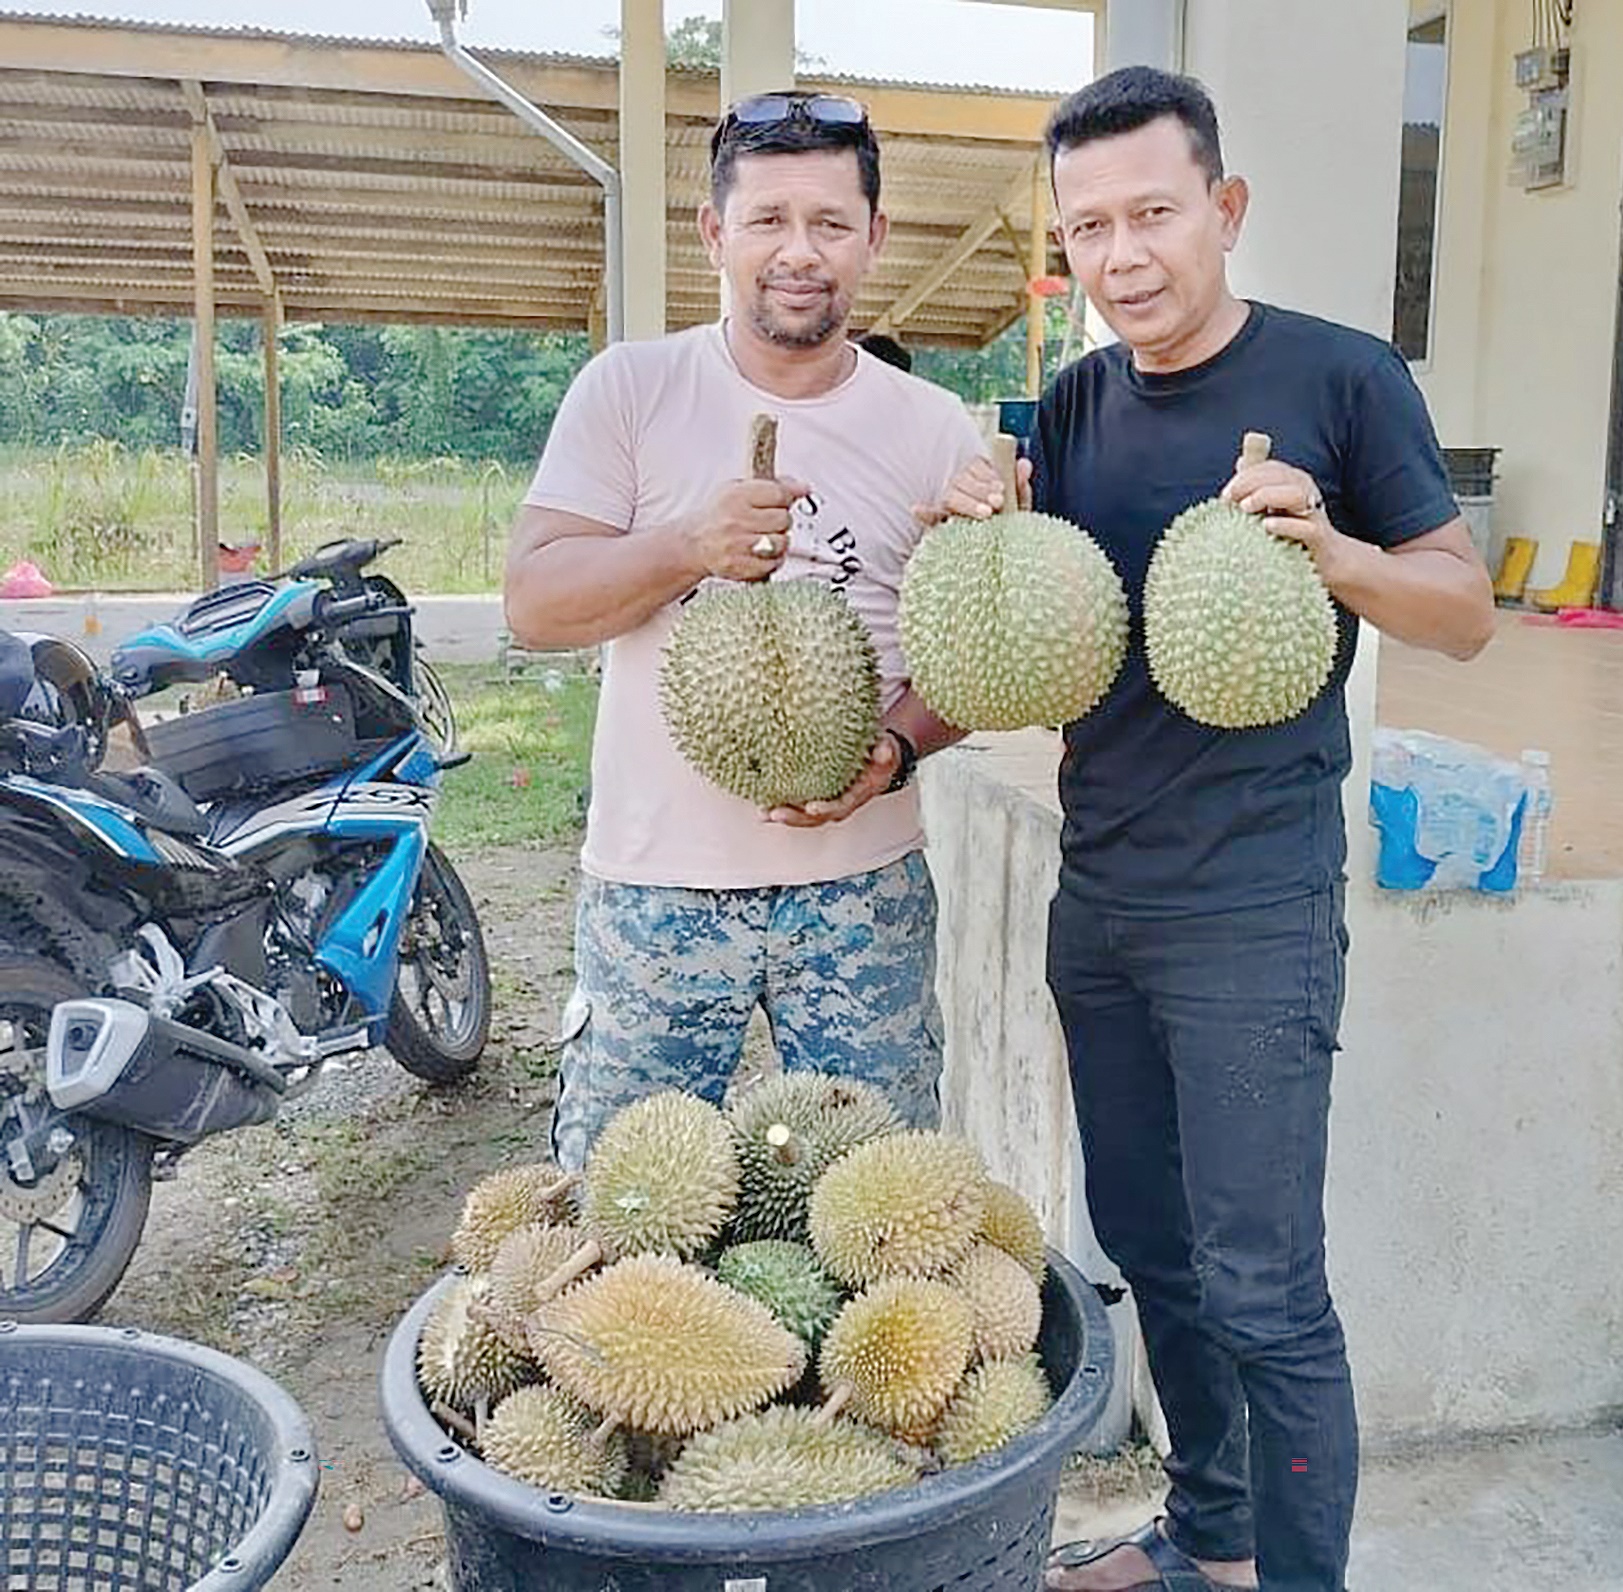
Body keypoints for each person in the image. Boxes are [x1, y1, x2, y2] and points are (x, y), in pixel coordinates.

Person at [934, 66, 1496, 1592]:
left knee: (1265, 1286)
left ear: (1224, 209)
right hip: (1099, 886)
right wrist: (989, 520)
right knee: (1154, 1250)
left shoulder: (1342, 378)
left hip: (1252, 905)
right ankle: (1211, 1535)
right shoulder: (1073, 400)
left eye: (1154, 213)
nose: (1124, 255)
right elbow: (1039, 618)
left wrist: (1332, 548)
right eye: (1092, 226)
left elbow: (1463, 611)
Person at [506, 90, 983, 1170]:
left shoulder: (934, 428)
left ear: (874, 238)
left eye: (828, 223)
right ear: (716, 234)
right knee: (623, 1208)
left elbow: (972, 663)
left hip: (862, 892)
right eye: (767, 219)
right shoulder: (629, 390)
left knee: (879, 1205)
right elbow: (534, 603)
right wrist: (686, 544)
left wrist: (899, 744)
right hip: (654, 891)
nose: (798, 252)